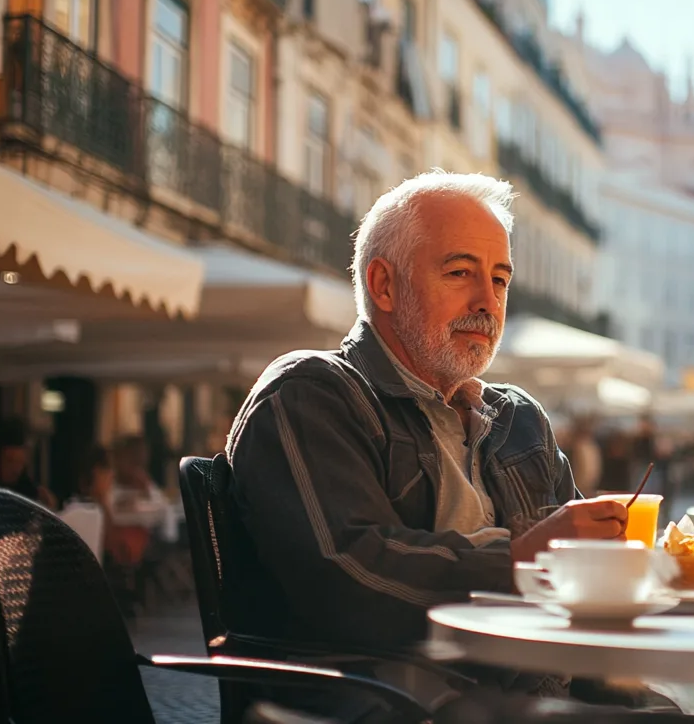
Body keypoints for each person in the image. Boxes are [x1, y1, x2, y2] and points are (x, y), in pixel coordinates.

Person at [225, 173, 666, 719]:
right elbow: (348, 577)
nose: (488, 301)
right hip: (400, 701)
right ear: (384, 286)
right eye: (460, 273)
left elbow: (585, 596)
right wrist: (522, 558)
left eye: (501, 280)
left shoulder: (521, 419)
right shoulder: (312, 393)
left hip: (542, 695)